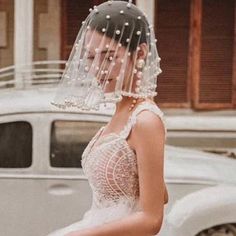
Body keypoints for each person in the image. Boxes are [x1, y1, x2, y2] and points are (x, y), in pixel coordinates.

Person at [49, 0, 168, 235]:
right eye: (91, 58)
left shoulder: (145, 120)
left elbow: (153, 219)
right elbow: (161, 193)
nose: (98, 70)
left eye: (109, 57)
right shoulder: (121, 111)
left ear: (141, 53)